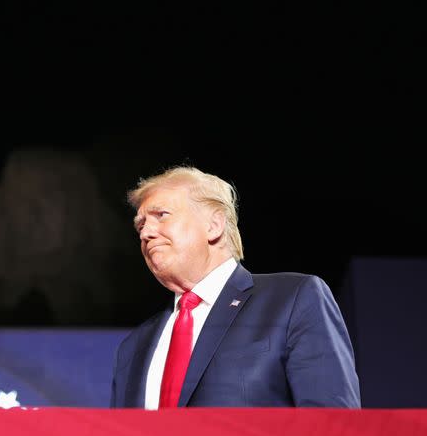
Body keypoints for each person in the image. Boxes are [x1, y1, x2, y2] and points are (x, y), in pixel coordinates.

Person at [111, 165, 360, 408]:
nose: (146, 233)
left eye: (161, 215)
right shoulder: (134, 347)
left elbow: (333, 426)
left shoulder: (293, 299)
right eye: (140, 225)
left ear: (213, 225)